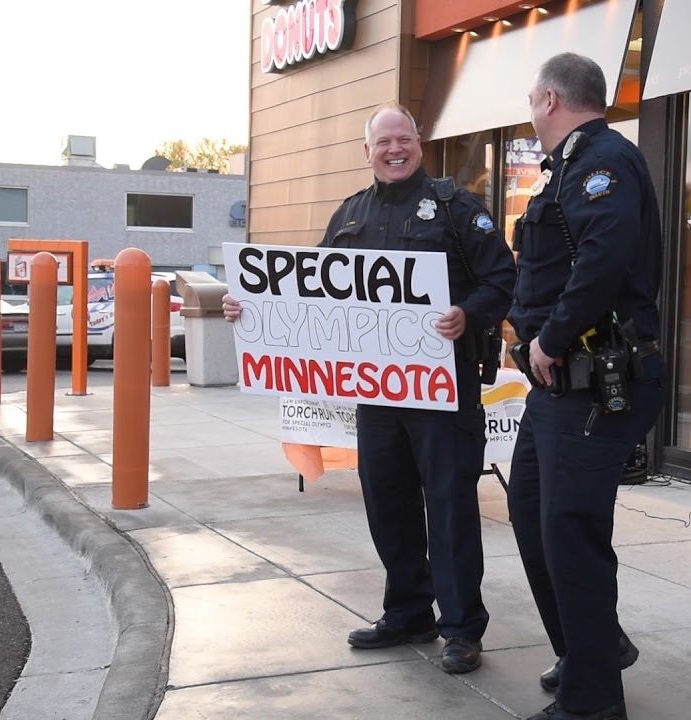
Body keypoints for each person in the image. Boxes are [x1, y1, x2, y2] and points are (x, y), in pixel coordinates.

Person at [221, 104, 516, 674]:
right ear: (368, 151)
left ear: (419, 143)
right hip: (378, 393)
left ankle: (461, 629)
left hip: (443, 389)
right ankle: (409, 612)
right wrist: (249, 307)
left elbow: (503, 277)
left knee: (451, 508)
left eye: (404, 138)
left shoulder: (457, 209)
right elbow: (306, 295)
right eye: (384, 142)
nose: (394, 149)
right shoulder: (350, 215)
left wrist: (467, 313)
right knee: (387, 500)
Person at [506, 52, 665, 720]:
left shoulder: (603, 160)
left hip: (595, 381)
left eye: (531, 99)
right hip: (558, 388)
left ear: (548, 98)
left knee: (570, 531)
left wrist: (551, 337)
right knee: (534, 517)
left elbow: (604, 257)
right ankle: (591, 649)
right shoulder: (566, 168)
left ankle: (594, 703)